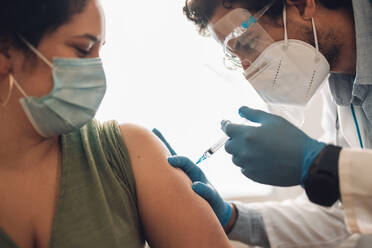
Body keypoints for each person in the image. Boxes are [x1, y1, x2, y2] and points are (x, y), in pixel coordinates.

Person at [0, 0, 233, 247]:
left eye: (99, 51)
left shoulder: (127, 150)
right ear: (5, 52)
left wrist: (240, 219)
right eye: (82, 49)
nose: (97, 70)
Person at [155, 0, 372, 247]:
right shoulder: (339, 87)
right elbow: (348, 208)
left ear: (302, 5)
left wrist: (321, 164)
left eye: (247, 44)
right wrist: (231, 218)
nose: (249, 72)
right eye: (237, 59)